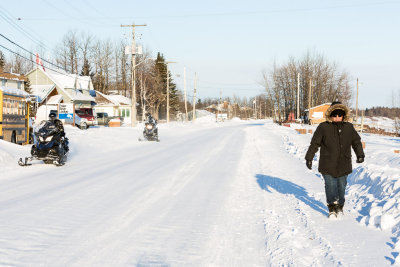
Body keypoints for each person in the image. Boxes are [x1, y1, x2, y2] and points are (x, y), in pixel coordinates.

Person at [305, 101, 365, 217]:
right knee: (330, 185)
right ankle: (332, 206)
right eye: (334, 115)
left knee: (342, 186)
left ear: (343, 115)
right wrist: (309, 158)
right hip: (327, 163)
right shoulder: (323, 127)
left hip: (344, 163)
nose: (337, 118)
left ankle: (340, 205)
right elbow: (314, 143)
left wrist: (360, 155)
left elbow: (356, 142)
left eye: (339, 115)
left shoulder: (349, 127)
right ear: (330, 115)